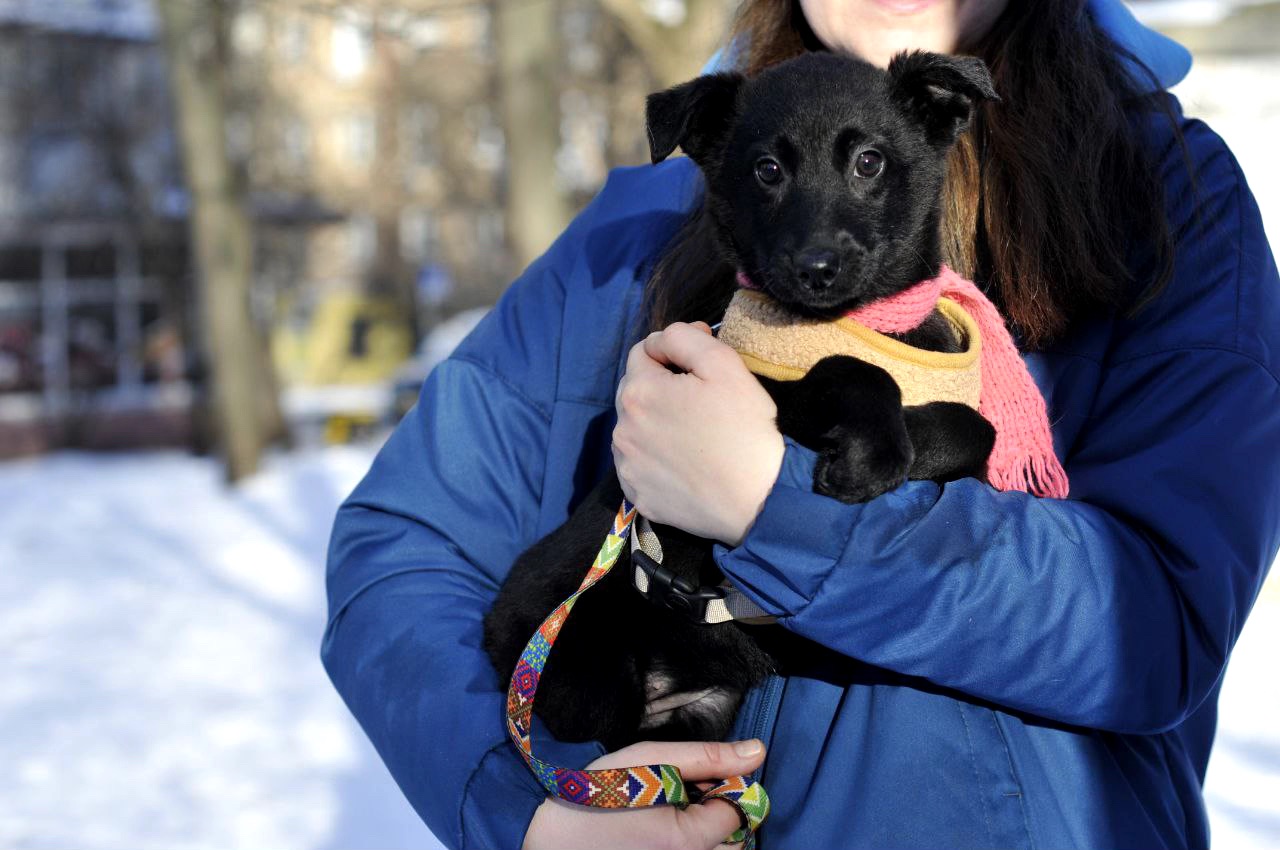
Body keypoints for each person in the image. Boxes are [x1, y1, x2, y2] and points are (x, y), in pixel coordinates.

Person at [321, 0, 1280, 847]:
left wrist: (772, 503)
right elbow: (404, 546)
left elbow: (1157, 622)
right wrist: (523, 817)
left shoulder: (1160, 197)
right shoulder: (638, 232)